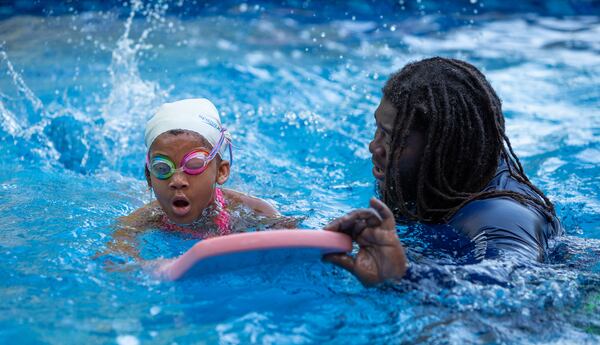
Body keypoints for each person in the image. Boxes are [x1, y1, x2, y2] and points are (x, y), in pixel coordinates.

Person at [324, 57, 563, 286]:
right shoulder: (430, 177)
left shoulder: (501, 215)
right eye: (378, 129)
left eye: (394, 139)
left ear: (442, 151)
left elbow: (516, 279)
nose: (374, 147)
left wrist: (405, 276)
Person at [105, 98, 290, 260]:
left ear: (221, 172)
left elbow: (293, 237)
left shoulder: (249, 210)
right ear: (149, 177)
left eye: (194, 164)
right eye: (162, 168)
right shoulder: (145, 220)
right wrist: (146, 267)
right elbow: (114, 259)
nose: (177, 180)